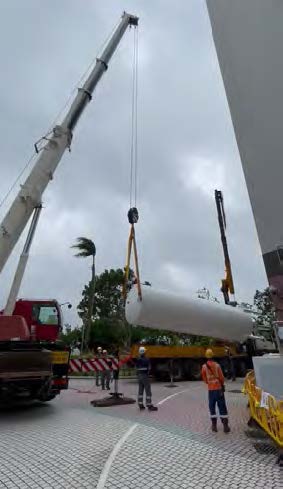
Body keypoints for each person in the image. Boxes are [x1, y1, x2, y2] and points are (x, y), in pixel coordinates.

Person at [202, 348, 230, 433]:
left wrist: (209, 382)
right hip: (219, 389)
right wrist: (221, 384)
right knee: (222, 406)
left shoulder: (204, 367)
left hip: (211, 390)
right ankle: (225, 426)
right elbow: (221, 377)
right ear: (212, 355)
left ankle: (214, 426)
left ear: (206, 356)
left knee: (212, 406)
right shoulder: (217, 365)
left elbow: (204, 379)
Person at [136, 346, 158, 411]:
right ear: (144, 352)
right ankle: (149, 405)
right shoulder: (146, 359)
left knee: (140, 391)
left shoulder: (138, 359)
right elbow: (149, 368)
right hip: (145, 376)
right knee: (148, 391)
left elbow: (136, 368)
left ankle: (140, 404)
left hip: (139, 376)